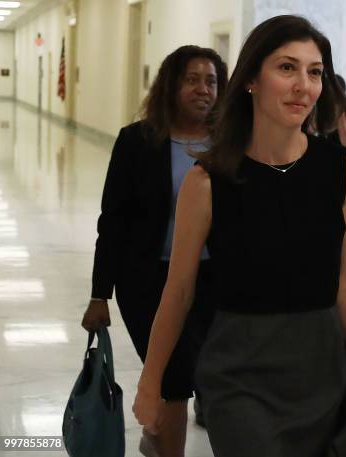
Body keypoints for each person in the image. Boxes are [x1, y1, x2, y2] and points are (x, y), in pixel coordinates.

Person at [130, 15, 346, 457]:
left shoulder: (341, 169)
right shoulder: (208, 182)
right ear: (251, 81)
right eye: (286, 68)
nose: (303, 85)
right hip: (239, 371)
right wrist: (152, 383)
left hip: (321, 367)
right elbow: (178, 292)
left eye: (314, 72)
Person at [81, 45, 228, 457]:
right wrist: (99, 294)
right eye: (192, 79)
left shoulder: (229, 146)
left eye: (211, 81)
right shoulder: (137, 142)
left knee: (201, 372)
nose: (203, 89)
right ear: (171, 85)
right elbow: (113, 219)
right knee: (174, 375)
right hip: (147, 281)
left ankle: (157, 439)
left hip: (212, 281)